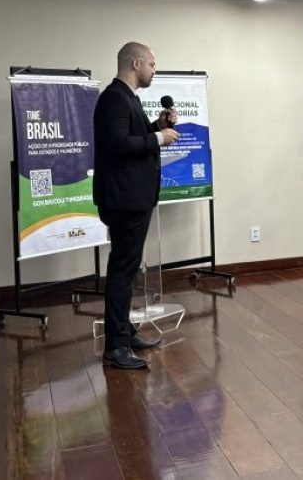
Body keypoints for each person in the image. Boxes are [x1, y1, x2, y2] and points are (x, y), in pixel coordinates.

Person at [93, 42, 180, 370]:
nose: (154, 71)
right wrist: (158, 138)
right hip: (124, 200)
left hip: (133, 198)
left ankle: (124, 332)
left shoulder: (127, 98)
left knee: (127, 270)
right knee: (122, 271)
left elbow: (133, 136)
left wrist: (157, 126)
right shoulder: (114, 98)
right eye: (153, 65)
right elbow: (116, 145)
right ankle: (115, 347)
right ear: (136, 63)